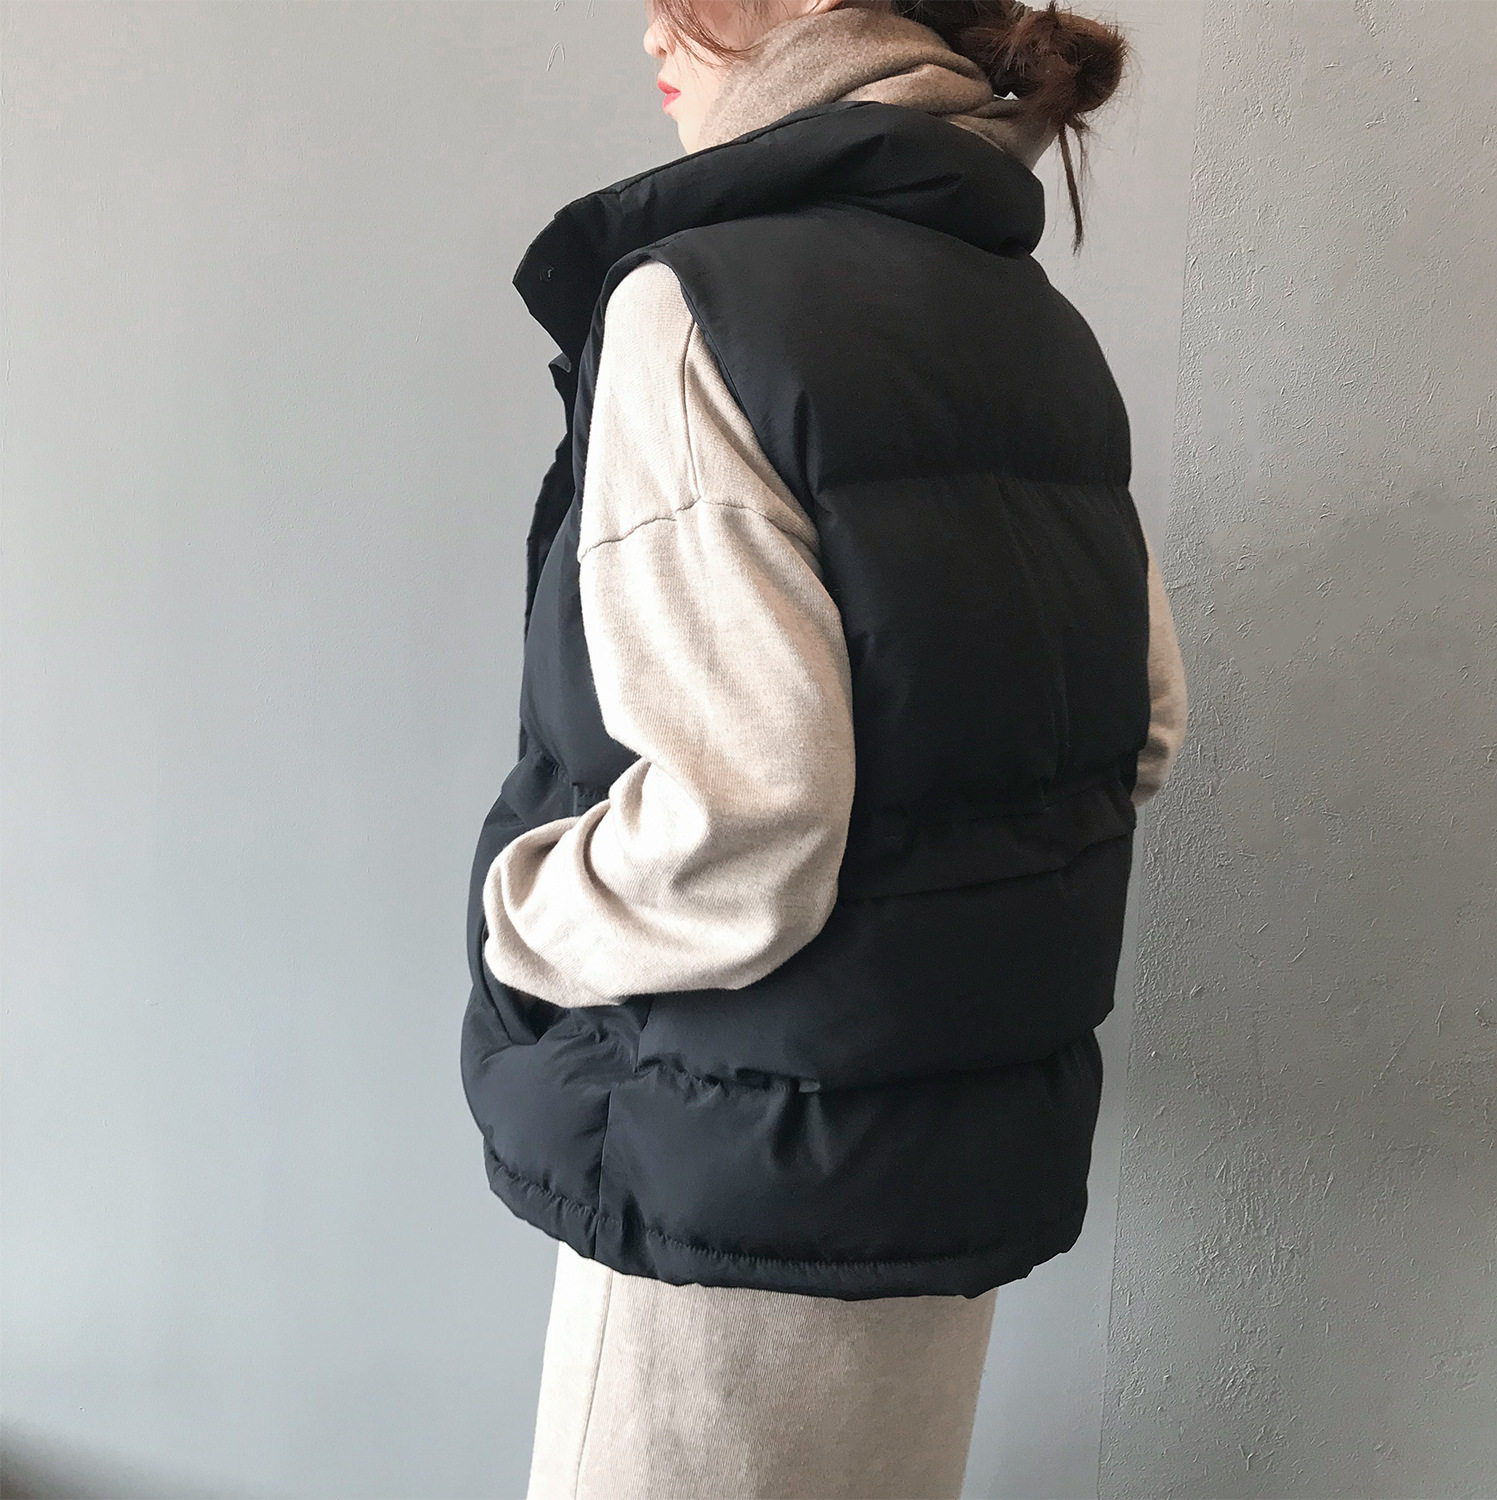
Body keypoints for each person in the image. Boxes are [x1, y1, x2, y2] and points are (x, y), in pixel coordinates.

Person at [458, 1, 1190, 1495]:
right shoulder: (1031, 321)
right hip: (945, 1182)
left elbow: (748, 823)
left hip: (719, 1186)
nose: (649, 29)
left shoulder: (693, 305)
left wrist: (523, 916)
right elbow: (1144, 730)